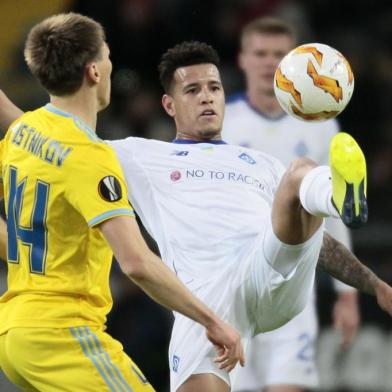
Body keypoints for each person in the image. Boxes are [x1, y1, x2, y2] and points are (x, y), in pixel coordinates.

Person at [0, 41, 391, 392]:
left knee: (297, 173)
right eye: (193, 90)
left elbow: (316, 243)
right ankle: (327, 189)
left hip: (269, 269)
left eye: (214, 88)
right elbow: (48, 139)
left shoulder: (260, 163)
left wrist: (374, 284)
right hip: (207, 302)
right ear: (169, 106)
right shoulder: (138, 155)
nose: (207, 98)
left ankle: (335, 192)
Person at [0, 14, 245, 392]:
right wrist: (212, 321)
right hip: (63, 334)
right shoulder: (90, 156)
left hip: (14, 334)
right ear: (95, 71)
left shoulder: (22, 133)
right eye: (109, 56)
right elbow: (137, 263)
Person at [221, 16, 359, 392]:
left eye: (279, 55)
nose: (269, 63)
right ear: (243, 59)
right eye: (260, 53)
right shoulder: (220, 120)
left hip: (294, 291)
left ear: (293, 62)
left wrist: (347, 294)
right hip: (230, 290)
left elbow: (336, 211)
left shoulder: (321, 125)